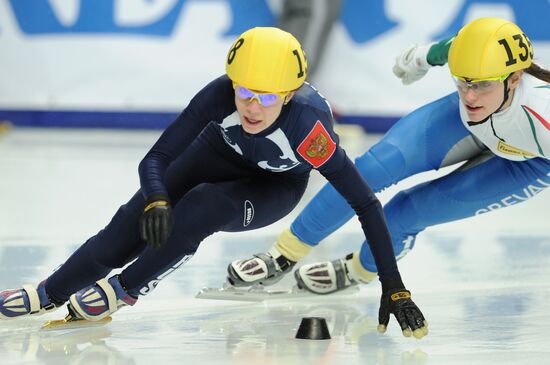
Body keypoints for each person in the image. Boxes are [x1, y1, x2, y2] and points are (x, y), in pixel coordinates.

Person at [0, 27, 427, 339]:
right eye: (244, 91)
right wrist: (156, 199)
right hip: (215, 153)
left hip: (272, 188)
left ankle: (122, 291)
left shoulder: (308, 132)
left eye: (266, 96)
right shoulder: (220, 95)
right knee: (131, 221)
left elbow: (366, 204)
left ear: (290, 93)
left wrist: (393, 284)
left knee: (202, 206)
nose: (251, 106)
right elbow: (157, 158)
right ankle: (47, 292)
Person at [228, 18, 550, 296]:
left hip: (529, 161)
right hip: (469, 124)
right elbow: (446, 50)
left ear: (515, 79)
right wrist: (419, 60)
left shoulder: (543, 115)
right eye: (462, 82)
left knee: (408, 213)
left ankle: (358, 271)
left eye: (481, 85)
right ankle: (283, 254)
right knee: (368, 170)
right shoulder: (470, 57)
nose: (469, 95)